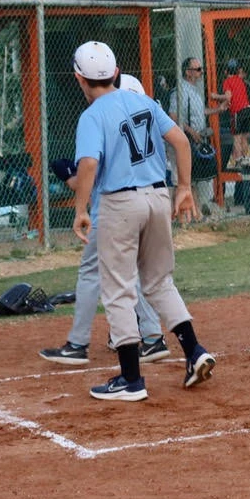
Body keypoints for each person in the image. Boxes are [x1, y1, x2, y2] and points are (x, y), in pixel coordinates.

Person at [71, 41, 215, 401]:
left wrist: (81, 208)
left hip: (120, 202)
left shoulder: (91, 115)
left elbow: (88, 164)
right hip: (157, 196)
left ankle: (132, 380)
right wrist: (184, 187)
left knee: (118, 288)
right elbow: (181, 141)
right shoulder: (144, 101)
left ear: (79, 79)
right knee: (159, 282)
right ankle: (194, 351)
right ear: (116, 73)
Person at [39, 74, 170, 366]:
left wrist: (69, 179)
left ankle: (78, 343)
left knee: (92, 272)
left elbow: (89, 171)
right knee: (134, 274)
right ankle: (151, 336)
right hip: (149, 204)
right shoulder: (144, 114)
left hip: (111, 212)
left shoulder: (103, 115)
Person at [169, 56, 226, 213]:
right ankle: (178, 215)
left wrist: (218, 110)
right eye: (198, 69)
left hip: (193, 141)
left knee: (192, 178)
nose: (201, 72)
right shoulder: (180, 91)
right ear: (188, 72)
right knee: (179, 179)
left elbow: (199, 113)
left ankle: (196, 214)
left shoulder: (193, 91)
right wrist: (192, 132)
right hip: (183, 140)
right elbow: (173, 116)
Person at [221, 59, 250, 167]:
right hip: (247, 109)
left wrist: (215, 96)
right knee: (243, 136)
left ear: (226, 72)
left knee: (236, 137)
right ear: (238, 71)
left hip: (237, 111)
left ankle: (239, 159)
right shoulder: (240, 80)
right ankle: (246, 159)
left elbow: (228, 96)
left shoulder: (227, 82)